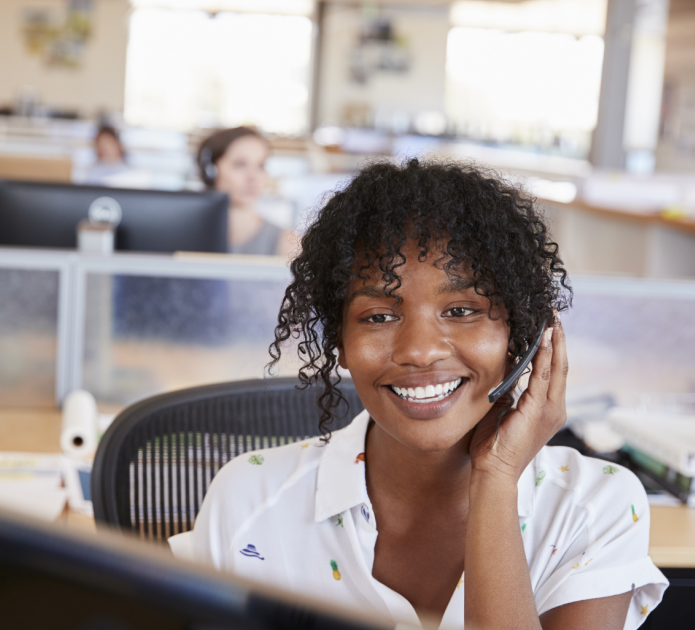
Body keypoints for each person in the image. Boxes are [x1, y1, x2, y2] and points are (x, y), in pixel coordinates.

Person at [170, 159, 667, 630]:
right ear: (340, 342)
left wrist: (495, 481)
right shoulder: (250, 498)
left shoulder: (594, 504)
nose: (420, 351)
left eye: (462, 310)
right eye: (379, 317)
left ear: (523, 335)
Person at [196, 127, 298, 256]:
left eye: (260, 166)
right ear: (211, 172)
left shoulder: (289, 244)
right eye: (240, 164)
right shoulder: (184, 234)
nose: (253, 177)